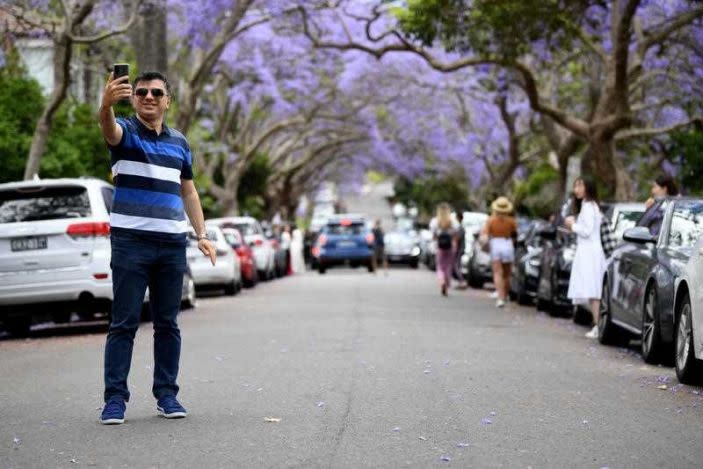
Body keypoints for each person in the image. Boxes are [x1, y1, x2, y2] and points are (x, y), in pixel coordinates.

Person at [98, 70, 216, 424]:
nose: (148, 97)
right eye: (141, 92)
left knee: (168, 324)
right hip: (130, 243)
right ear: (133, 98)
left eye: (156, 93)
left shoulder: (179, 142)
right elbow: (108, 127)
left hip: (171, 245)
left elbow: (189, 190)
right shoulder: (125, 133)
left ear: (168, 100)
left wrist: (202, 234)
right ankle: (115, 399)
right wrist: (105, 105)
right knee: (124, 324)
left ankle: (167, 394)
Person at [564, 177, 606, 339]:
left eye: (580, 185)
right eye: (575, 186)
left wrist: (572, 225)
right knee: (593, 290)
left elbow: (587, 231)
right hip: (589, 250)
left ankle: (597, 325)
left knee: (593, 291)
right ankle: (597, 324)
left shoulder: (589, 206)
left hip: (589, 252)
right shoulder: (590, 206)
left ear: (588, 187)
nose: (577, 189)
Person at [480, 197, 517, 307]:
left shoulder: (491, 220)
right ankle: (504, 295)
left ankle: (500, 297)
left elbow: (485, 234)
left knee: (497, 272)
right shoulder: (511, 221)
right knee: (507, 273)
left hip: (496, 244)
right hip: (507, 244)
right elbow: (515, 235)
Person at [430, 203, 460, 296]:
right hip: (451, 246)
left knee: (440, 266)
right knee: (448, 266)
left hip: (440, 247)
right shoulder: (453, 221)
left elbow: (434, 236)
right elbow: (457, 235)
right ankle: (447, 284)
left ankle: (442, 281)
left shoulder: (435, 221)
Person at [453, 211, 468, 289]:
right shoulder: (460, 227)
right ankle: (460, 281)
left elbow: (457, 238)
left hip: (459, 249)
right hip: (460, 248)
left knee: (456, 266)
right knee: (457, 265)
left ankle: (462, 281)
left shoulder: (460, 227)